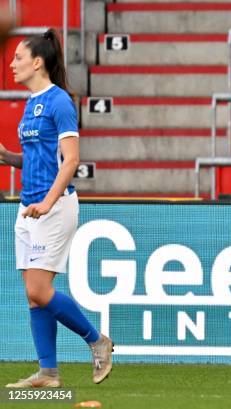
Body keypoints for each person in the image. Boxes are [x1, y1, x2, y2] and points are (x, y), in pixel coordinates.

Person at [0, 29, 113, 388]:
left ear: (38, 62)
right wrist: (7, 158)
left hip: (52, 207)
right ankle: (48, 372)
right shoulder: (30, 104)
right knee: (33, 295)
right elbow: (38, 159)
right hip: (28, 207)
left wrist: (48, 202)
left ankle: (97, 341)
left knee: (37, 289)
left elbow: (71, 161)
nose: (12, 62)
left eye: (19, 57)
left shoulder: (59, 101)